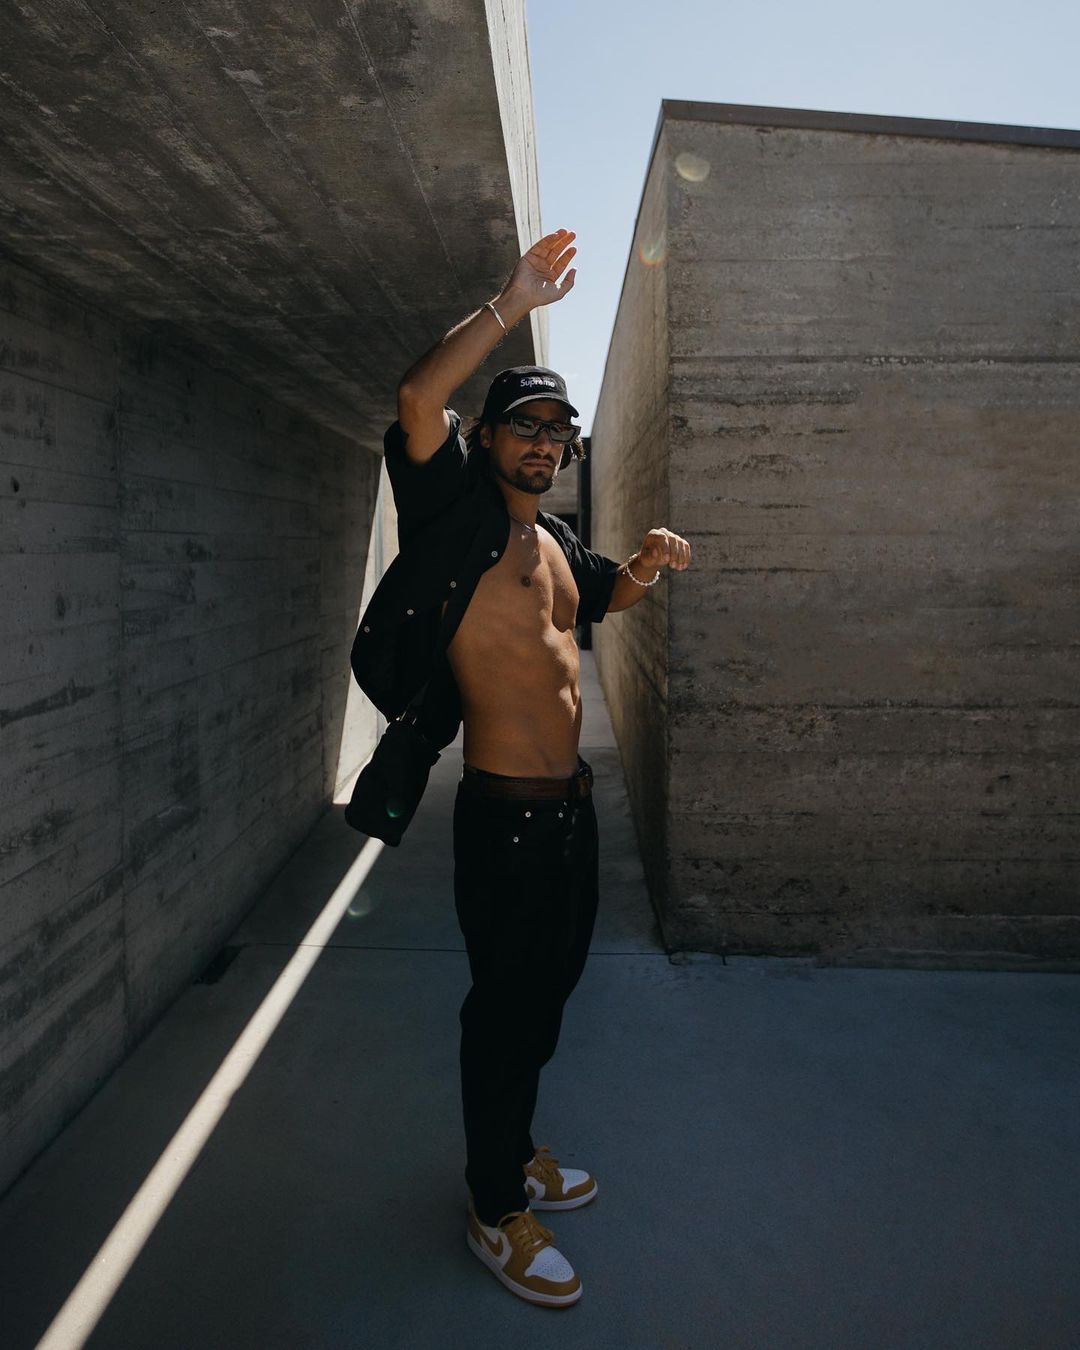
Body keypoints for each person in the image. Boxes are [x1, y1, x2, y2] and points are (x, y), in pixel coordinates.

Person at [359, 228, 691, 1307]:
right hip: (503, 821)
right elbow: (419, 398)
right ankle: (494, 1205)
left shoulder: (554, 546)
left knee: (546, 999)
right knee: (502, 1015)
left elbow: (605, 599)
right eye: (527, 426)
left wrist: (645, 564)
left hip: (572, 819)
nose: (546, 444)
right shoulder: (455, 521)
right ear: (492, 438)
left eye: (560, 432)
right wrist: (512, 302)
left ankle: (518, 1151)